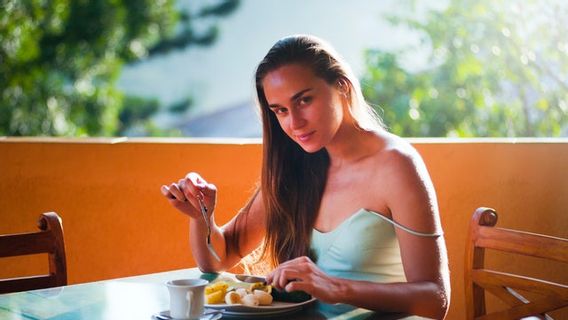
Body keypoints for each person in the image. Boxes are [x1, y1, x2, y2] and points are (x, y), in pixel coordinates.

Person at [161, 34, 450, 319]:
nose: (294, 123)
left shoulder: (396, 165)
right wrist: (201, 217)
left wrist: (335, 287)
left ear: (342, 87)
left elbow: (435, 300)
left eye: (304, 101)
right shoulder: (295, 166)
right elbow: (222, 257)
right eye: (281, 111)